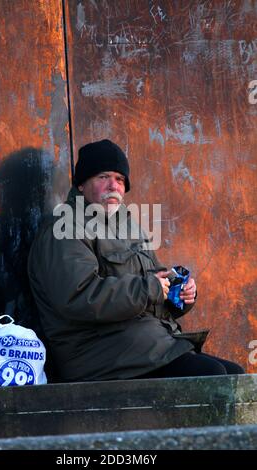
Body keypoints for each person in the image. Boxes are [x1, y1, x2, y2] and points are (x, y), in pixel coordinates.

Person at [28, 139, 244, 382]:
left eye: (120, 179)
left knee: (235, 376)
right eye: (103, 177)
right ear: (81, 185)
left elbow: (154, 286)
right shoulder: (64, 227)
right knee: (211, 376)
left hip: (143, 343)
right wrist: (149, 288)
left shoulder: (128, 226)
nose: (113, 186)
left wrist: (179, 295)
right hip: (97, 353)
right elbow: (78, 296)